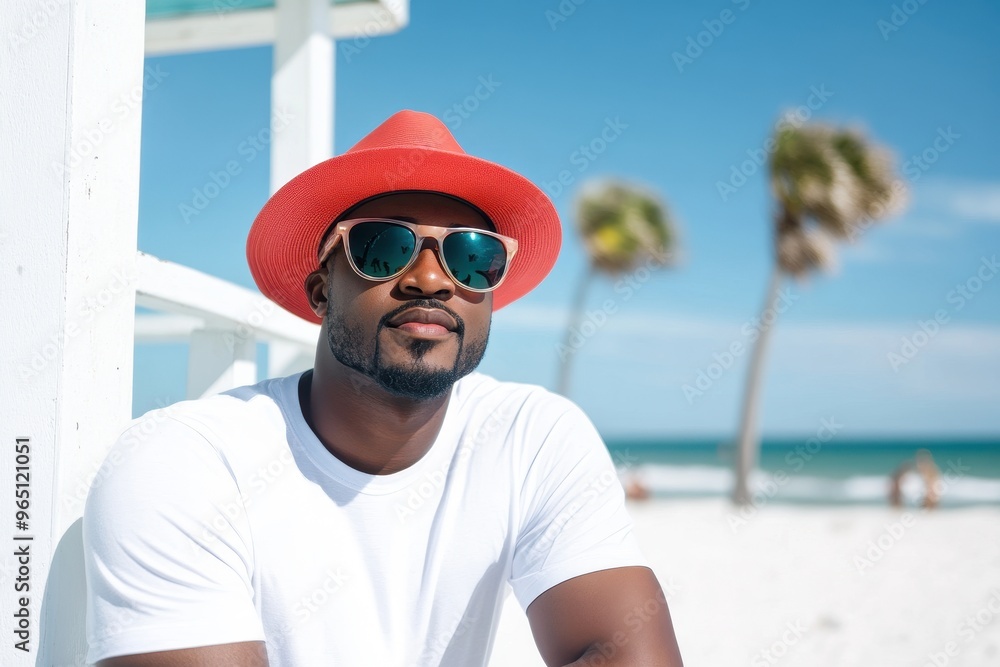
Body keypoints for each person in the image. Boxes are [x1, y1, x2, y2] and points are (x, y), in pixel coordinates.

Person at [83, 110, 684, 666]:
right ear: (321, 290)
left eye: (471, 257)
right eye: (383, 248)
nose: (430, 279)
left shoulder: (531, 438)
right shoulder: (185, 462)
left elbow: (626, 649)